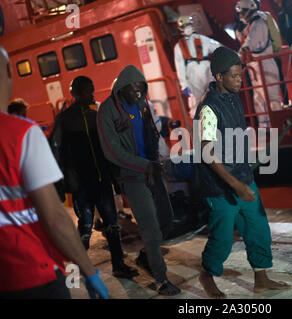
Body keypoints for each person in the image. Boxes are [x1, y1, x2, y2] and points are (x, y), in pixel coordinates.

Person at [0, 45, 108, 299]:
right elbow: (55, 218)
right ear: (7, 70)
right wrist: (89, 272)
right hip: (30, 273)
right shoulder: (21, 133)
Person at [194, 46, 291, 298]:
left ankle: (261, 278)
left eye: (241, 75)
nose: (240, 80)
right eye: (235, 76)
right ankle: (207, 275)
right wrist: (235, 185)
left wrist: (247, 170)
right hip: (220, 187)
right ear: (219, 77)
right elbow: (207, 153)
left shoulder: (234, 98)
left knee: (258, 227)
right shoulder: (208, 109)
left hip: (242, 177)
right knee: (223, 239)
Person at [97, 65, 180, 296]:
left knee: (167, 220)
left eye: (141, 90)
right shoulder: (107, 110)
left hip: (152, 170)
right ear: (121, 89)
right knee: (150, 227)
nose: (137, 94)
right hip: (132, 175)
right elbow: (110, 150)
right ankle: (161, 280)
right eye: (133, 90)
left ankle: (146, 255)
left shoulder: (142, 104)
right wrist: (146, 166)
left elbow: (151, 133)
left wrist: (159, 160)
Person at [50, 76, 138, 279]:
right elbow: (55, 150)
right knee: (85, 228)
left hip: (102, 179)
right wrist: (61, 182)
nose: (91, 94)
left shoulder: (95, 115)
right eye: (87, 91)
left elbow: (109, 145)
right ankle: (74, 270)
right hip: (80, 184)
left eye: (92, 90)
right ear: (74, 93)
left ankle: (118, 265)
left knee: (112, 224)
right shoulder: (64, 119)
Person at [235, 0, 282, 127]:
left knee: (271, 97)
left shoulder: (258, 23)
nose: (240, 15)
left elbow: (249, 44)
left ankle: (278, 125)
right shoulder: (250, 25)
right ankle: (265, 127)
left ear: (250, 10)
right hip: (255, 65)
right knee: (259, 98)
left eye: (243, 12)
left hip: (265, 63)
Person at [174, 15, 222, 119]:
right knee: (196, 103)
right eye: (184, 26)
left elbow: (218, 48)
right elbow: (180, 66)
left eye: (188, 25)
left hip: (205, 70)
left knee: (213, 99)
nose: (187, 28)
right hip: (193, 74)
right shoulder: (179, 46)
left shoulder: (202, 39)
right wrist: (184, 85)